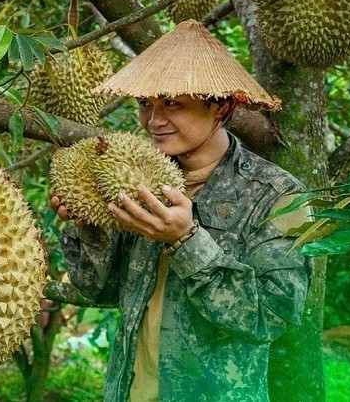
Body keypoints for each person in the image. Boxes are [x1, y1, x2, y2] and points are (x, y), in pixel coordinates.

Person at [52, 20, 310, 402]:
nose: (154, 121)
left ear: (221, 105)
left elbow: (271, 317)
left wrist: (186, 240)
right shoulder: (132, 178)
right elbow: (99, 289)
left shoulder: (281, 196)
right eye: (145, 104)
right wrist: (90, 228)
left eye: (172, 103)